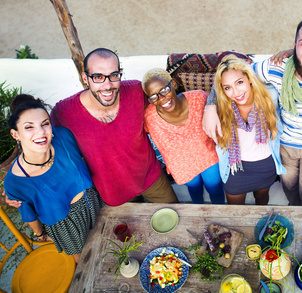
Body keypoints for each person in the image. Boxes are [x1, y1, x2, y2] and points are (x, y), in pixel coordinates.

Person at [6, 48, 178, 208]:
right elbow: (43, 144)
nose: (107, 85)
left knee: (178, 216)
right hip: (113, 194)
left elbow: (171, 107)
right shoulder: (64, 112)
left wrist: (205, 107)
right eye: (98, 77)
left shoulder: (135, 91)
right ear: (85, 78)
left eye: (113, 75)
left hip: (152, 179)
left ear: (120, 74)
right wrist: (18, 181)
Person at [203, 11, 302, 206]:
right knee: (289, 188)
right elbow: (232, 76)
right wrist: (210, 107)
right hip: (284, 146)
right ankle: (295, 211)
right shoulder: (276, 68)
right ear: (294, 47)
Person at [4, 94, 104, 263]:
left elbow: (90, 154)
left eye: (45, 124)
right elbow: (29, 215)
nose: (41, 132)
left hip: (92, 201)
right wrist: (40, 234)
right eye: (29, 127)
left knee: (106, 239)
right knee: (85, 260)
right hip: (66, 226)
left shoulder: (64, 137)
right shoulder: (14, 182)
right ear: (15, 134)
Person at [141, 68, 225, 204]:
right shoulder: (149, 117)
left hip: (208, 157)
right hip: (181, 166)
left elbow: (219, 107)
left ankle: (219, 213)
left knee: (215, 188)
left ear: (173, 84)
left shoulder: (200, 98)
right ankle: (199, 211)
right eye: (154, 96)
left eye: (164, 90)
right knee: (195, 190)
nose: (161, 99)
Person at [211, 55, 286, 205]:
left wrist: (291, 50)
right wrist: (209, 108)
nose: (236, 92)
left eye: (239, 82)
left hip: (266, 166)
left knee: (262, 201)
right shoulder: (220, 108)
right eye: (228, 88)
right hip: (235, 170)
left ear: (249, 78)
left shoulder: (269, 96)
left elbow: (294, 67)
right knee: (236, 211)